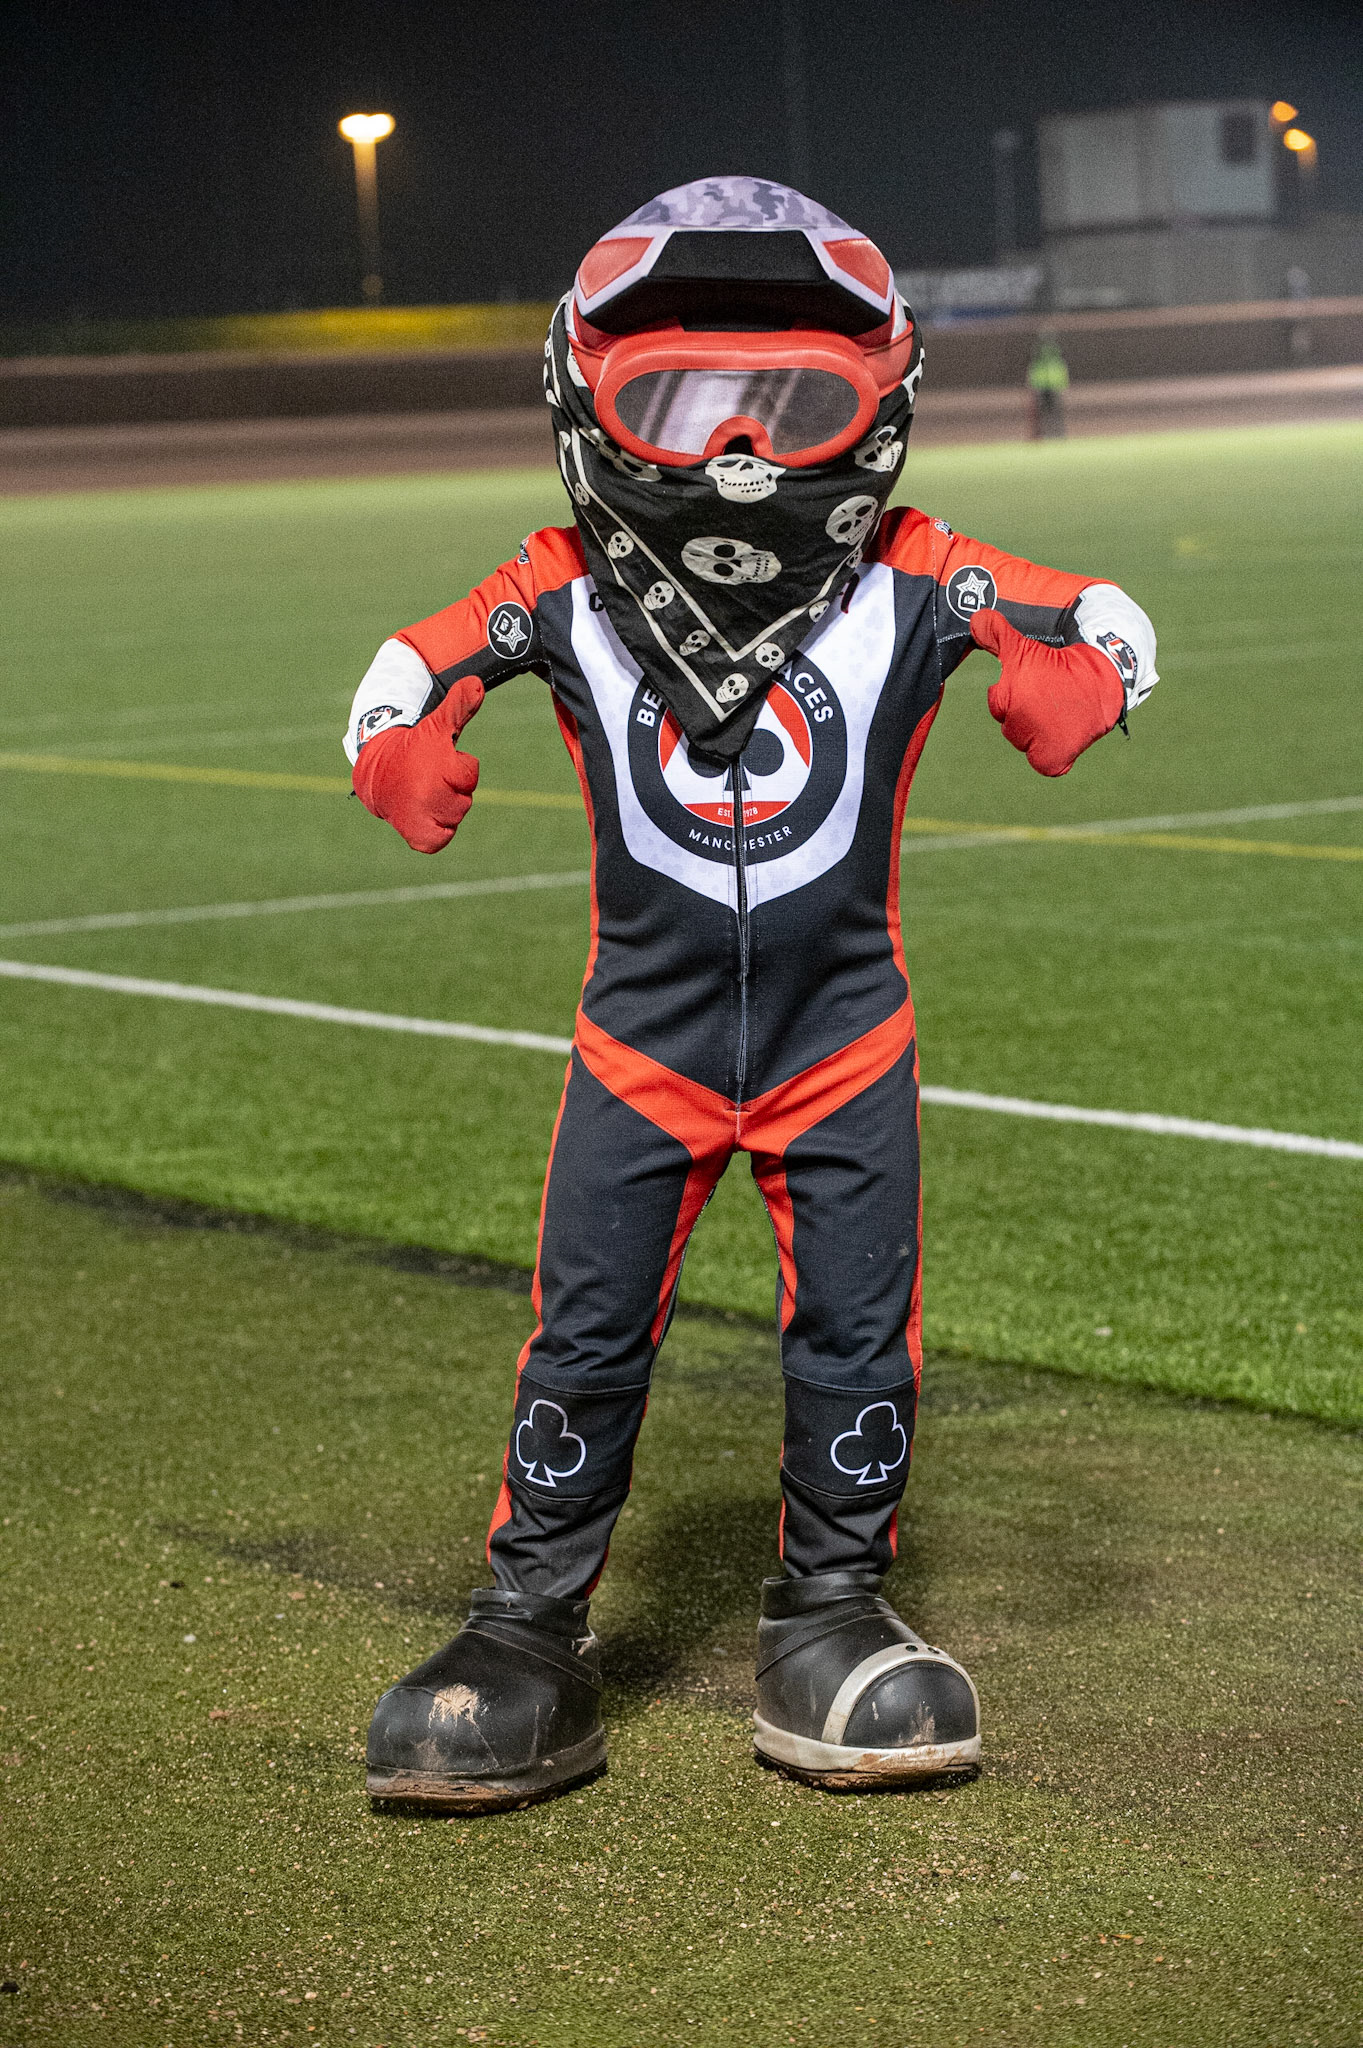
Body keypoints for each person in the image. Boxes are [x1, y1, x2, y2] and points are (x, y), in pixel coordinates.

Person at [344, 177, 1158, 1813]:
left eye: (785, 400)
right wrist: (394, 744)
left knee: (858, 1343)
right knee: (583, 1341)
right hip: (636, 1049)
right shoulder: (564, 582)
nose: (732, 446)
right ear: (594, 396)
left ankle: (828, 1615)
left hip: (839, 1045)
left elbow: (1105, 616)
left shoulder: (914, 575)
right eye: (681, 398)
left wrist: (1088, 679)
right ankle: (526, 1627)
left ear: (876, 399)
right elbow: (407, 666)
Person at [1027, 332, 1070, 439]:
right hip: (1044, 387)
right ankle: (1050, 434)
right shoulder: (1040, 358)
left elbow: (1061, 371)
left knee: (1053, 412)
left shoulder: (1051, 358)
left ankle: (1056, 434)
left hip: (1050, 387)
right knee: (1046, 412)